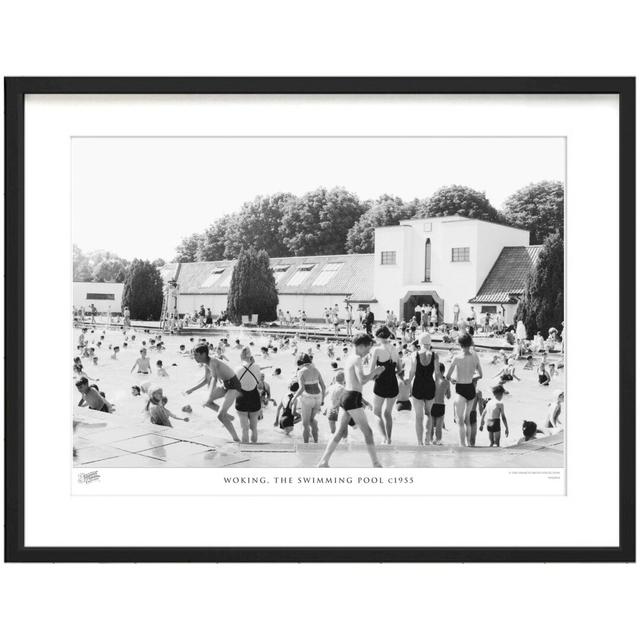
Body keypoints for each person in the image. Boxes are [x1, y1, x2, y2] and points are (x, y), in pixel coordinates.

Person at [317, 333, 385, 468]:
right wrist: (376, 370)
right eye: (368, 348)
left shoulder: (350, 358)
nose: (368, 352)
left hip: (347, 396)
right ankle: (376, 464)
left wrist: (375, 374)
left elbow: (358, 380)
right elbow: (363, 380)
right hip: (352, 398)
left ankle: (323, 462)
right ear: (361, 346)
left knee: (339, 431)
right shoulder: (357, 359)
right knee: (368, 432)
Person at [185, 344, 240, 442]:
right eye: (194, 355)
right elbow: (206, 380)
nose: (194, 357)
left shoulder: (213, 362)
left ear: (204, 354)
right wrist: (191, 390)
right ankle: (230, 418)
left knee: (220, 415)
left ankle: (236, 440)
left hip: (234, 386)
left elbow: (214, 379)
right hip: (226, 385)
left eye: (196, 355)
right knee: (207, 403)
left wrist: (210, 395)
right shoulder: (207, 365)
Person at [446, 332, 483, 446]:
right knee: (467, 420)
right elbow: (480, 375)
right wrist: (471, 378)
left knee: (460, 421)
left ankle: (462, 445)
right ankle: (469, 444)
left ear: (459, 344)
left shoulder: (457, 357)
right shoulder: (475, 355)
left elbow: (448, 376)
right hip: (470, 389)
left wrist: (452, 380)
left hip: (461, 389)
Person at [370, 325, 400, 444]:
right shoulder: (395, 349)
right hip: (393, 383)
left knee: (377, 412)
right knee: (388, 413)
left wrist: (373, 378)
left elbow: (372, 370)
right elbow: (400, 368)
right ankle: (389, 439)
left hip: (381, 383)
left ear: (378, 336)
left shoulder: (376, 350)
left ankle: (384, 438)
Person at [408, 333, 438, 445]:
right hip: (430, 385)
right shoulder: (435, 355)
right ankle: (427, 440)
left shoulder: (414, 354)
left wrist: (407, 382)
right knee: (428, 414)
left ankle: (420, 442)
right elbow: (438, 374)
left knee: (418, 416)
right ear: (430, 343)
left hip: (418, 386)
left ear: (420, 343)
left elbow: (412, 371)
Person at [293, 353, 326, 444]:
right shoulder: (316, 369)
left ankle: (306, 445)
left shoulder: (301, 372)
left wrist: (293, 398)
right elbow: (323, 386)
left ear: (301, 362)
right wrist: (322, 400)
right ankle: (316, 442)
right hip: (318, 398)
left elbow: (302, 388)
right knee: (312, 420)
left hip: (308, 398)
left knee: (305, 424)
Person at [235, 347, 263, 444]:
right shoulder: (257, 366)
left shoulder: (237, 369)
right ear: (250, 355)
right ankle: (254, 449)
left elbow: (235, 385)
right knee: (254, 428)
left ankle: (246, 452)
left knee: (244, 428)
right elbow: (258, 382)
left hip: (241, 397)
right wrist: (253, 362)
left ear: (241, 356)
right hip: (254, 397)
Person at [430, 363, 451, 445]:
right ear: (444, 371)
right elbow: (448, 396)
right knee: (439, 428)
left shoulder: (432, 380)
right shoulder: (446, 382)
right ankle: (438, 443)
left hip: (432, 405)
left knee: (431, 427)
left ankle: (430, 443)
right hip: (441, 406)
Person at [325, 371, 346, 435]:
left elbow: (323, 395)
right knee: (344, 425)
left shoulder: (331, 387)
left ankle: (333, 437)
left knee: (332, 426)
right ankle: (345, 439)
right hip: (341, 408)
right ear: (344, 379)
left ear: (335, 379)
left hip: (332, 408)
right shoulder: (343, 388)